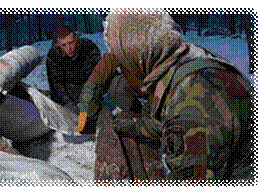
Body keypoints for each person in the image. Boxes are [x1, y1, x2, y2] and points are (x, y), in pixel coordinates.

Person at [76, 9, 256, 185]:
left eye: (123, 56)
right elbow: (166, 116)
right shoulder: (184, 57)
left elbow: (190, 176)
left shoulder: (190, 107)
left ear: (138, 54)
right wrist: (137, 128)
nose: (122, 61)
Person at [46, 25, 101, 112]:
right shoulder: (54, 55)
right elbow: (55, 83)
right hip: (68, 90)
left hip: (88, 86)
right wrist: (67, 102)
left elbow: (98, 72)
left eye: (71, 43)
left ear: (76, 38)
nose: (69, 48)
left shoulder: (88, 46)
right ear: (58, 43)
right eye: (64, 45)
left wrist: (88, 94)